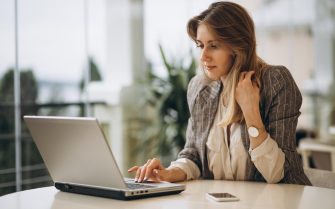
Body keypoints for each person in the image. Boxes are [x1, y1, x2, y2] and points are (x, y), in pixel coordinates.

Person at [128, 1, 311, 185]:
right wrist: (169, 173)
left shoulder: (276, 81)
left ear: (238, 47)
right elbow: (194, 155)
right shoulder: (200, 88)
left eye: (214, 46)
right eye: (200, 45)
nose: (203, 56)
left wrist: (251, 111)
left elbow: (276, 174)